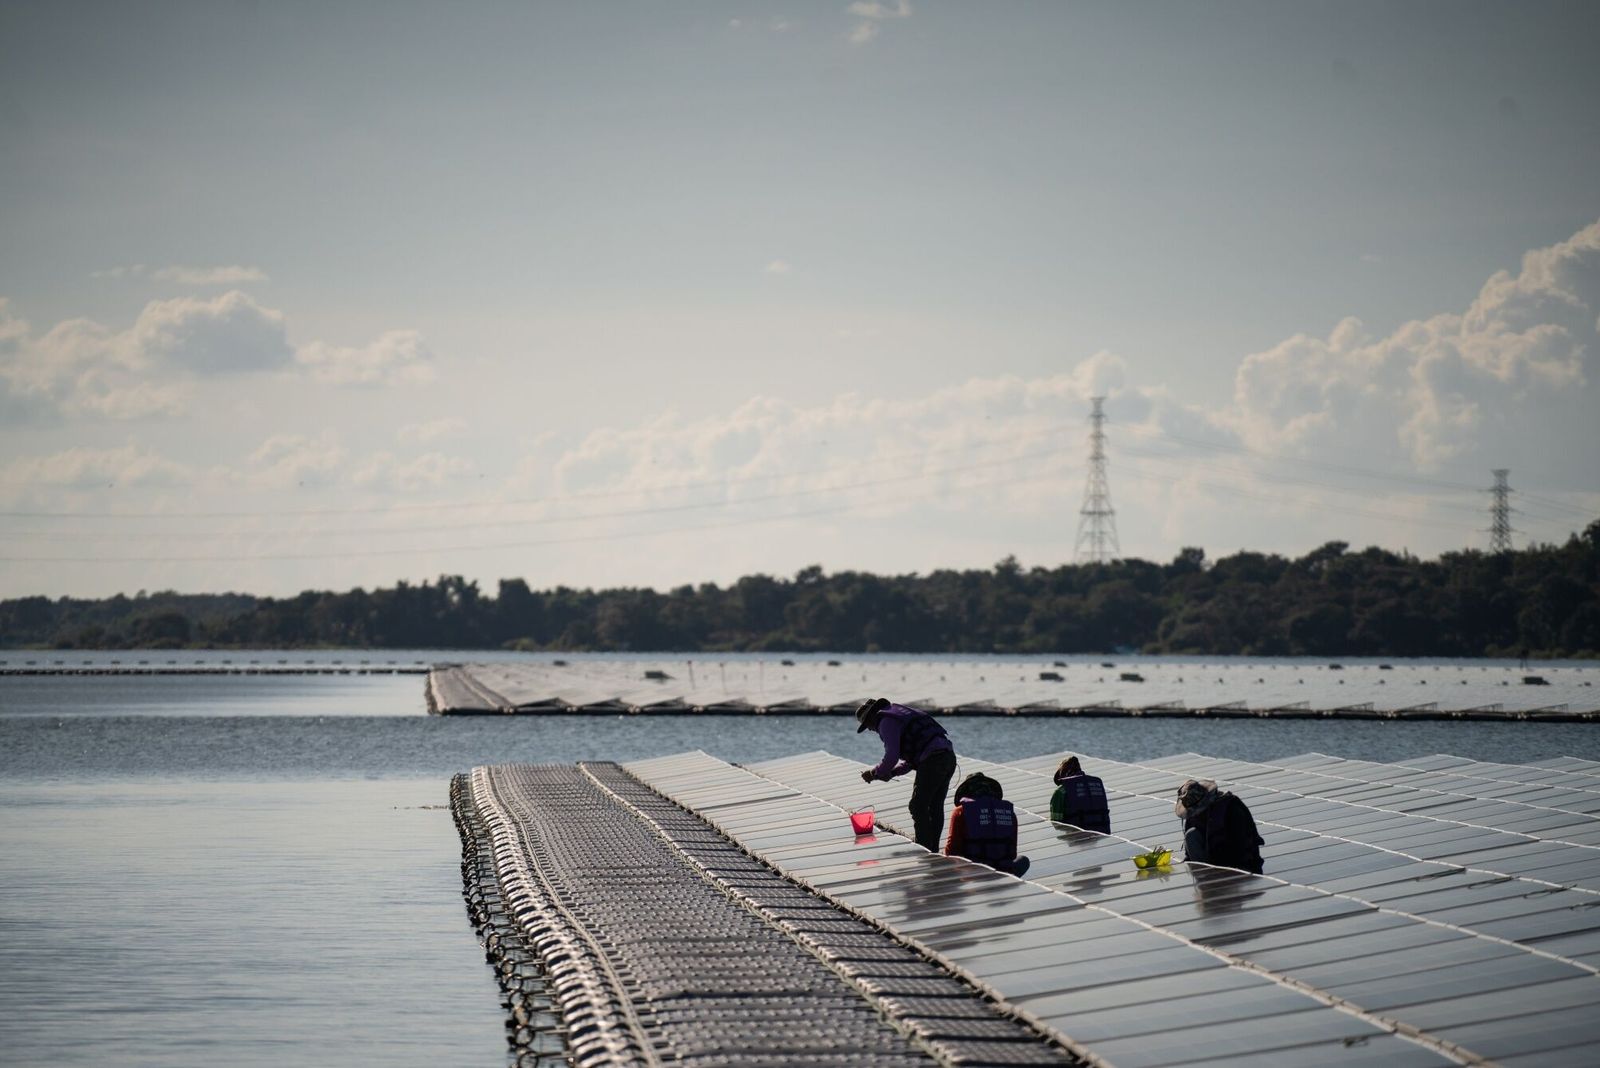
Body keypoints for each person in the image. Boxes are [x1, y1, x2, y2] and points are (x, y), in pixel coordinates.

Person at [856, 697, 957, 851]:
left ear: (871, 716)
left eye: (867, 725)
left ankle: (925, 849)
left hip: (933, 761)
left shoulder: (885, 722)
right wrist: (893, 773)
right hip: (948, 757)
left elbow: (891, 757)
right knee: (935, 806)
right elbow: (912, 759)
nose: (870, 729)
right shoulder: (901, 714)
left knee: (917, 806)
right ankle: (933, 848)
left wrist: (873, 773)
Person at [944, 772, 1030, 877]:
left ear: (966, 792)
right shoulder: (1009, 813)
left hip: (972, 874)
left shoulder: (960, 812)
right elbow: (1012, 854)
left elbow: (952, 852)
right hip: (1003, 872)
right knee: (1023, 860)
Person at [1175, 779, 1264, 874]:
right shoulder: (1193, 815)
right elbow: (1189, 854)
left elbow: (1241, 845)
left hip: (1240, 862)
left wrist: (1223, 872)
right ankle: (1206, 876)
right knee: (1191, 835)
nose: (1197, 814)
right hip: (1211, 864)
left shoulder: (1231, 808)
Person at [1048, 755, 1111, 834]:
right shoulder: (1096, 784)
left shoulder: (1061, 791)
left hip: (1076, 837)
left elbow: (1056, 823)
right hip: (1102, 835)